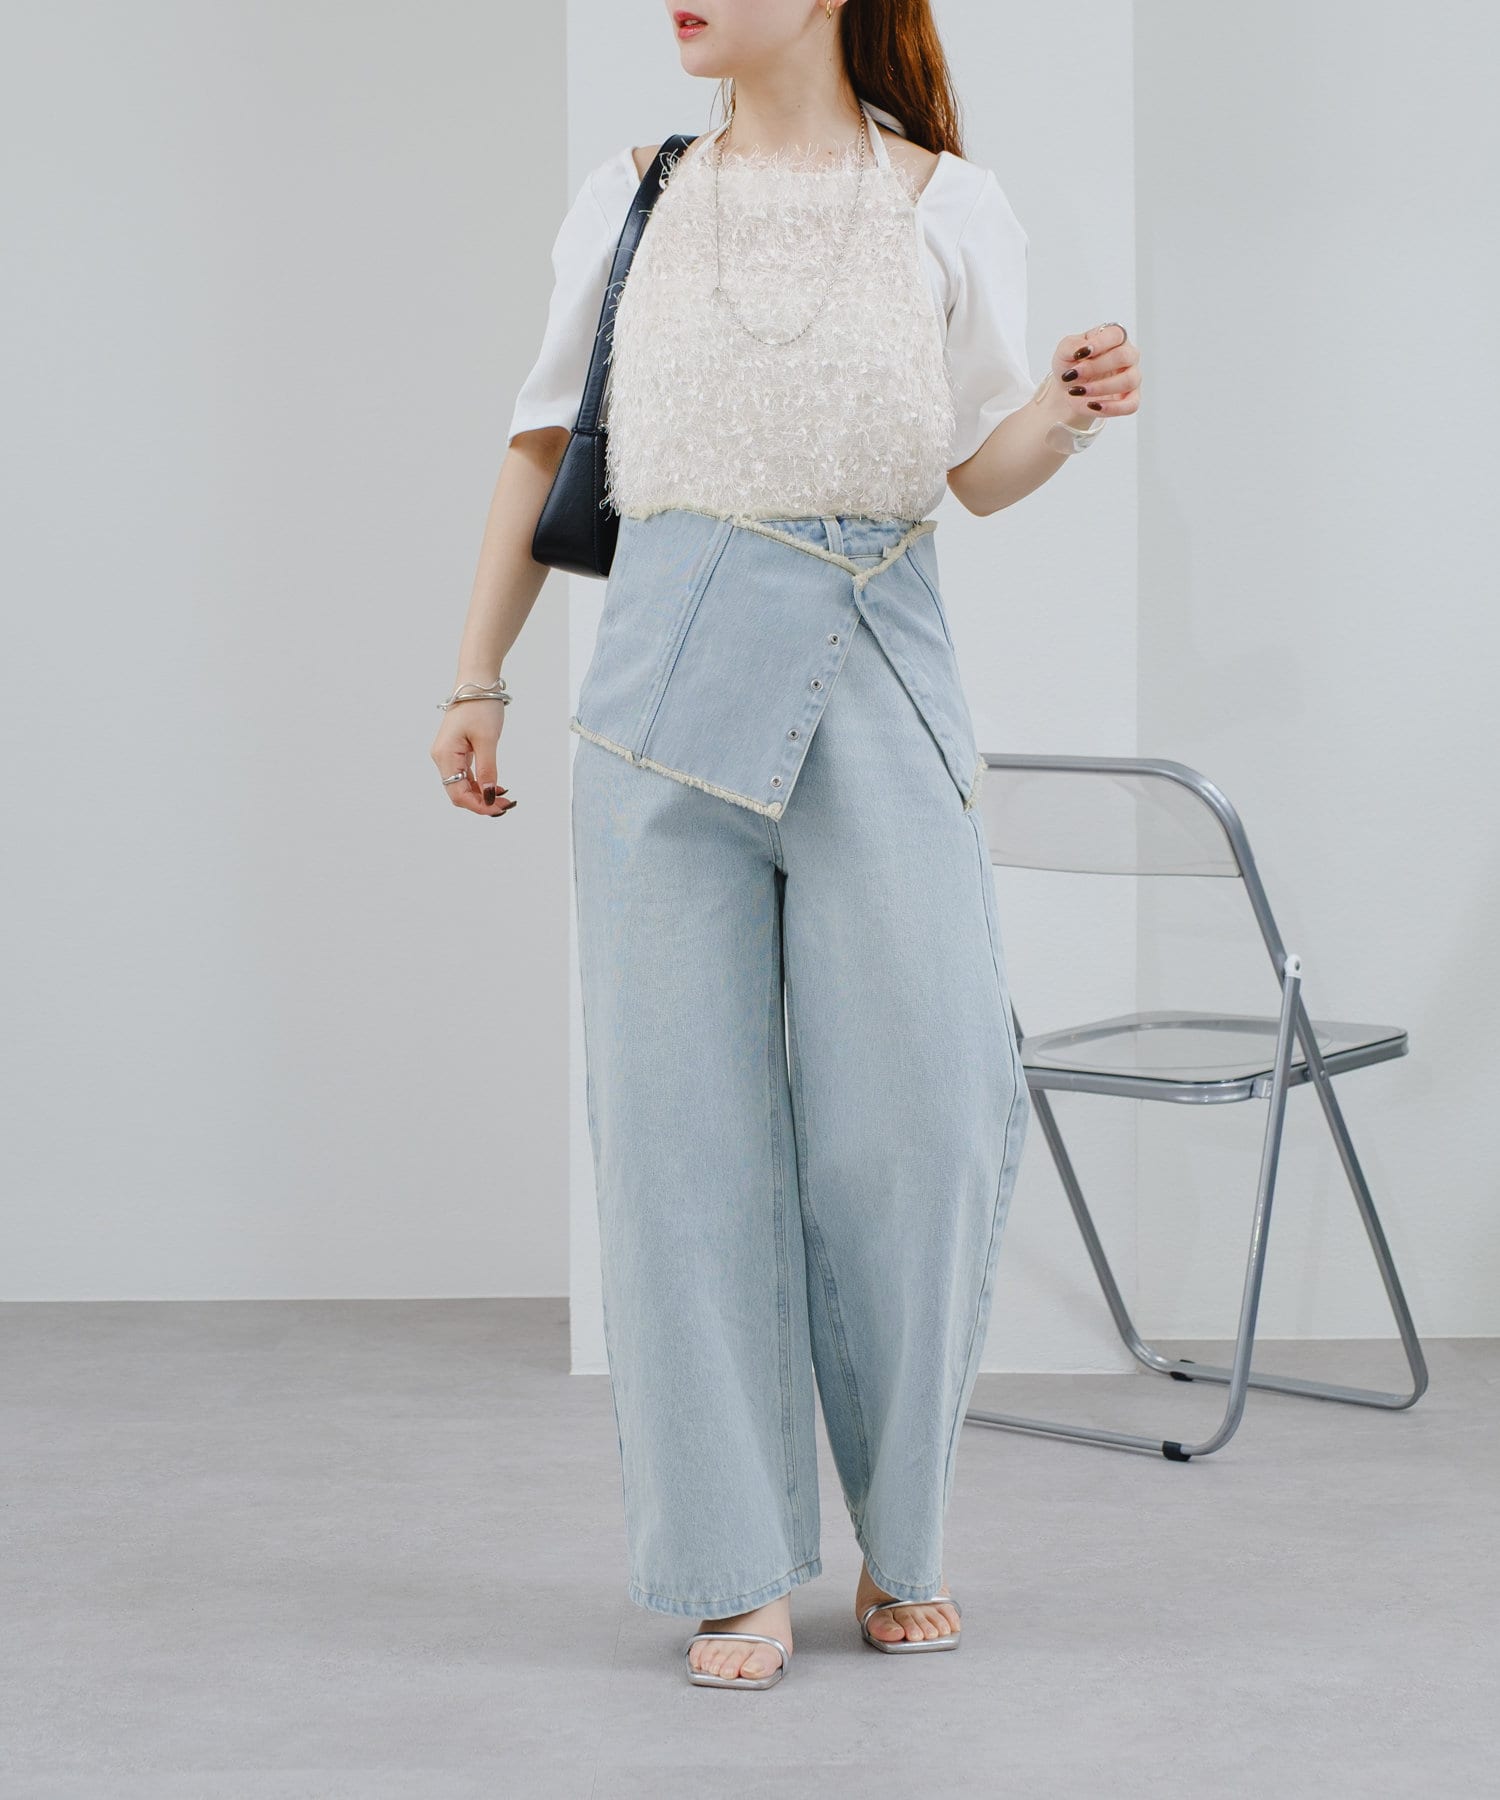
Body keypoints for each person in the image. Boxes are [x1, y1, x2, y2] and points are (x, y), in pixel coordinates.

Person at [431, 0, 1141, 1692]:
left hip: (876, 674)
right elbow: (542, 440)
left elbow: (978, 471)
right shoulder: (631, 195)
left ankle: (907, 1533)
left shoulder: (949, 203)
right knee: (676, 1148)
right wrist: (477, 676)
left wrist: (1069, 408)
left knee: (928, 1115)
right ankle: (732, 1564)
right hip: (657, 700)